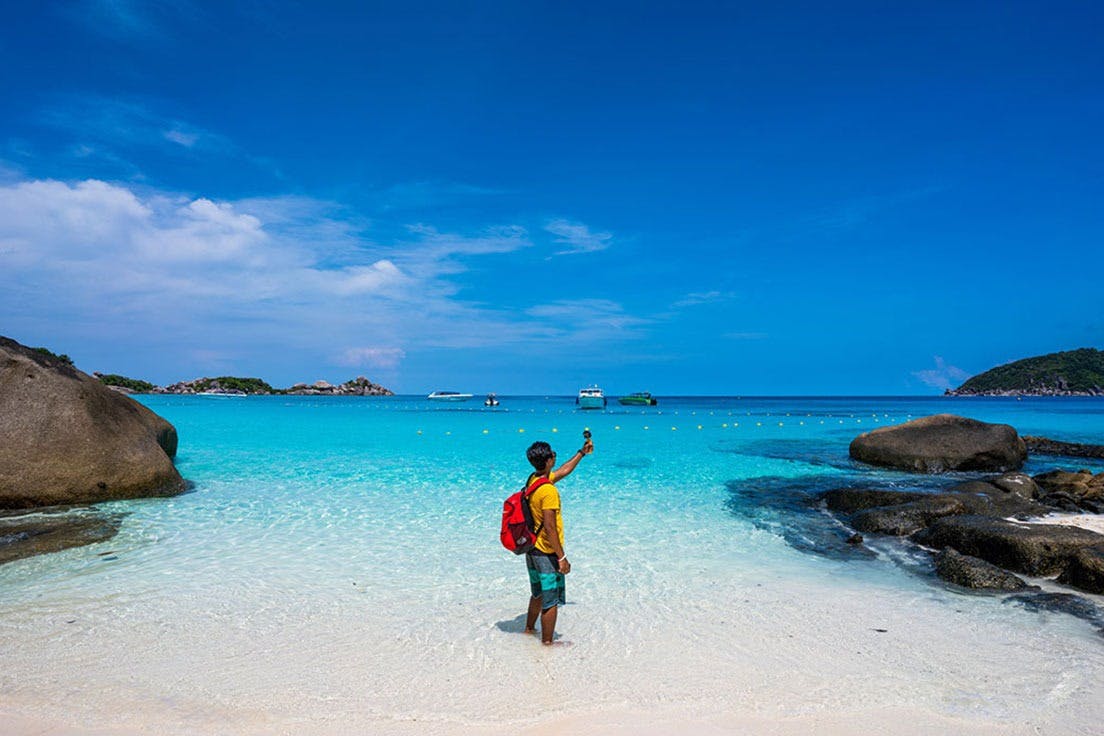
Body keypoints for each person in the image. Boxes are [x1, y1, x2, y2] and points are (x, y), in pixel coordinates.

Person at [522, 435, 593, 645]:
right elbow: (551, 527)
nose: (555, 456)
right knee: (551, 600)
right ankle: (547, 643)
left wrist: (581, 453)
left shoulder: (534, 480)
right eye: (553, 454)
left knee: (537, 593)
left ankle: (528, 628)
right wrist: (562, 557)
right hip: (546, 553)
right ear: (549, 459)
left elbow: (563, 471)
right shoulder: (549, 491)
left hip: (531, 550)